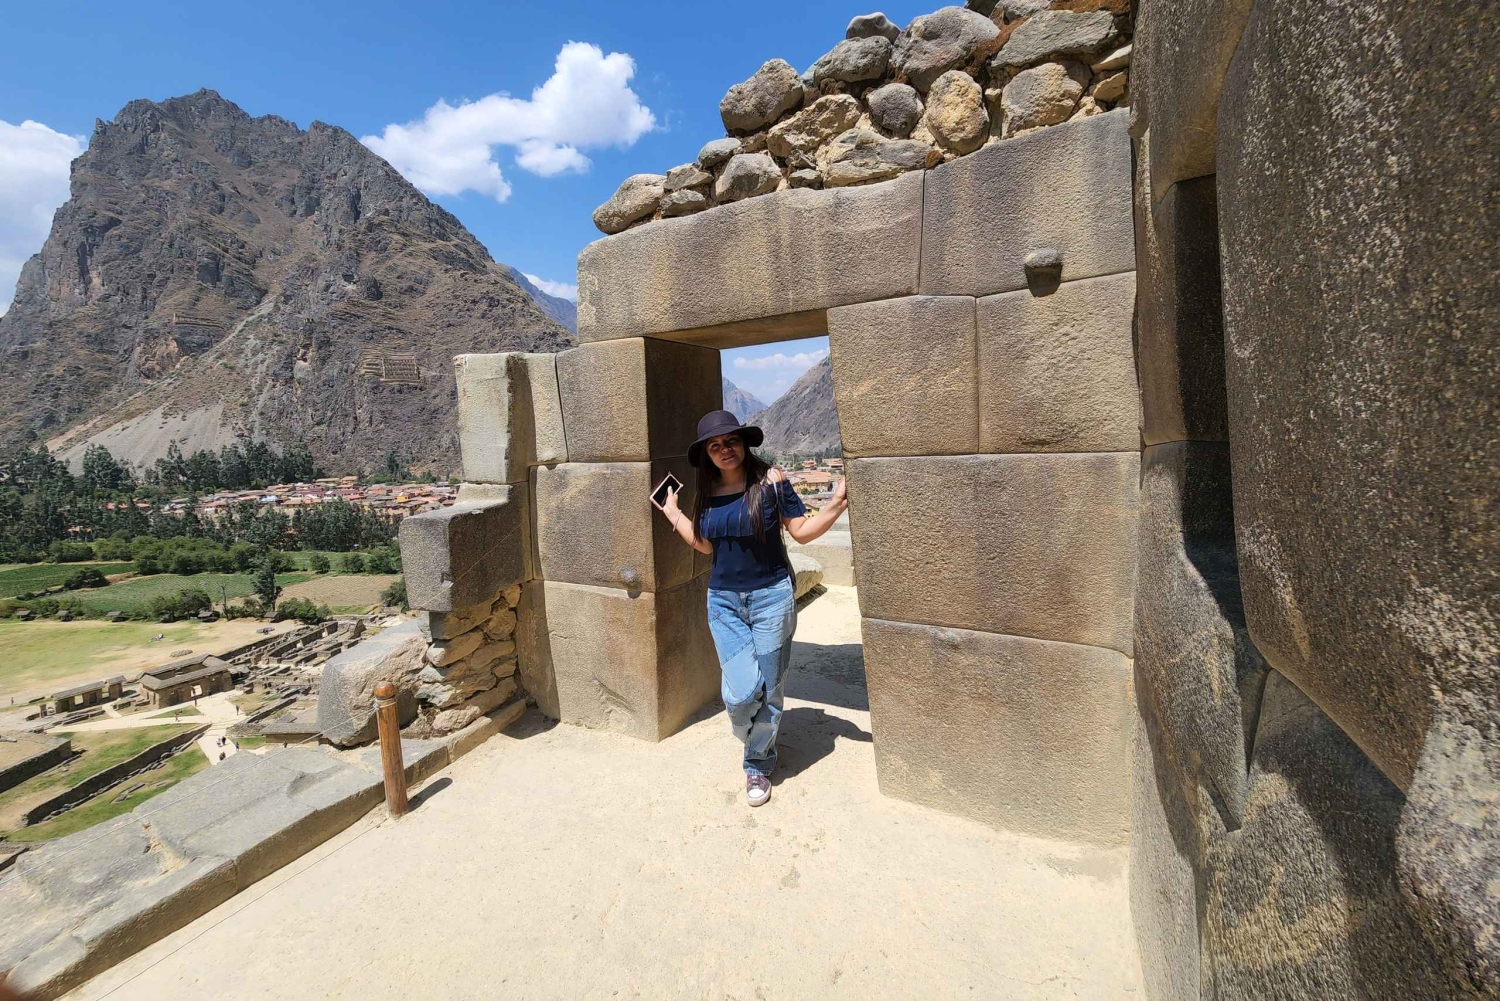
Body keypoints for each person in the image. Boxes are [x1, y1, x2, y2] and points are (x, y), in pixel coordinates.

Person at [657, 410, 848, 807]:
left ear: (743, 443)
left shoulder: (771, 482)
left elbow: (800, 531)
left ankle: (757, 761)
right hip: (723, 602)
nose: (724, 449)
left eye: (731, 440)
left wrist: (834, 504)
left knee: (770, 689)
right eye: (715, 445)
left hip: (771, 599)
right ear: (707, 454)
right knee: (741, 694)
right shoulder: (707, 492)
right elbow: (706, 545)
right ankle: (757, 734)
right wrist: (673, 513)